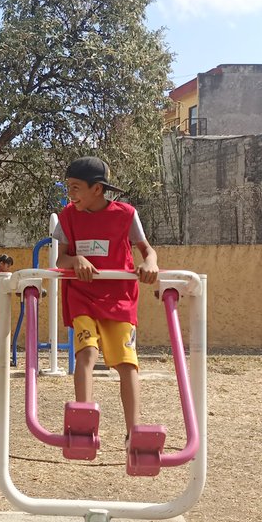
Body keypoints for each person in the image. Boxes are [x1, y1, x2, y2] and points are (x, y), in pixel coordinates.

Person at [53, 156, 159, 443]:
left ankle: (133, 432)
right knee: (86, 353)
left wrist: (150, 263)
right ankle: (83, 424)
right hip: (82, 295)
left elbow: (147, 251)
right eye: (68, 188)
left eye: (76, 188)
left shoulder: (126, 214)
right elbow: (61, 258)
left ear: (96, 189)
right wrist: (75, 260)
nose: (70, 194)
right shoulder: (67, 218)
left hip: (118, 298)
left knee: (126, 363)